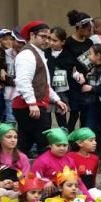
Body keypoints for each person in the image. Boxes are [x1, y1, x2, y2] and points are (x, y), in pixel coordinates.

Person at [13, 21, 67, 156]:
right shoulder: (27, 55)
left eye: (48, 37)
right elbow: (23, 81)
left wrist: (56, 99)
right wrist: (32, 103)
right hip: (29, 105)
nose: (46, 41)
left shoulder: (39, 54)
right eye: (43, 36)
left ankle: (16, 169)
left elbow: (44, 83)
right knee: (42, 142)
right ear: (32, 35)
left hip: (37, 104)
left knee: (27, 142)